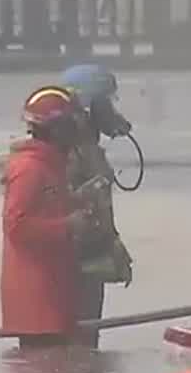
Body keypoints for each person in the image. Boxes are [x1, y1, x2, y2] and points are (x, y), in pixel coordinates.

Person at [0, 85, 92, 349]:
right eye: (71, 125)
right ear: (56, 129)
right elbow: (16, 227)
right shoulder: (30, 169)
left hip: (53, 295)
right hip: (37, 304)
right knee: (43, 371)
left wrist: (76, 203)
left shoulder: (51, 166)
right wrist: (68, 225)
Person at [58, 64, 136, 349]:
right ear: (91, 105)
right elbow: (76, 203)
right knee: (79, 344)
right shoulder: (72, 149)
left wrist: (115, 247)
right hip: (76, 265)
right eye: (107, 102)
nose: (112, 111)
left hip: (89, 260)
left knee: (86, 347)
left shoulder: (86, 146)